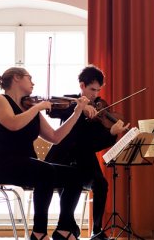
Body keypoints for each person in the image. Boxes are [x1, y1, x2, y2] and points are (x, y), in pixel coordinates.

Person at [0, 67, 91, 240]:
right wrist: (38, 108)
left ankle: (64, 229)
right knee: (46, 171)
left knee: (75, 175)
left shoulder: (29, 106)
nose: (33, 82)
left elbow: (55, 137)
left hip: (28, 164)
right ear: (16, 78)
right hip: (4, 164)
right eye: (30, 78)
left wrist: (77, 112)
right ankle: (39, 233)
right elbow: (12, 124)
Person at [45, 65, 130, 240]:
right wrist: (79, 108)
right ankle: (68, 227)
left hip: (85, 160)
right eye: (92, 89)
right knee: (67, 182)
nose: (95, 94)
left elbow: (94, 144)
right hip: (63, 158)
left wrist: (111, 133)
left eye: (98, 90)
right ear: (82, 86)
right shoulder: (69, 101)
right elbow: (51, 108)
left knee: (101, 184)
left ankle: (96, 230)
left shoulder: (99, 109)